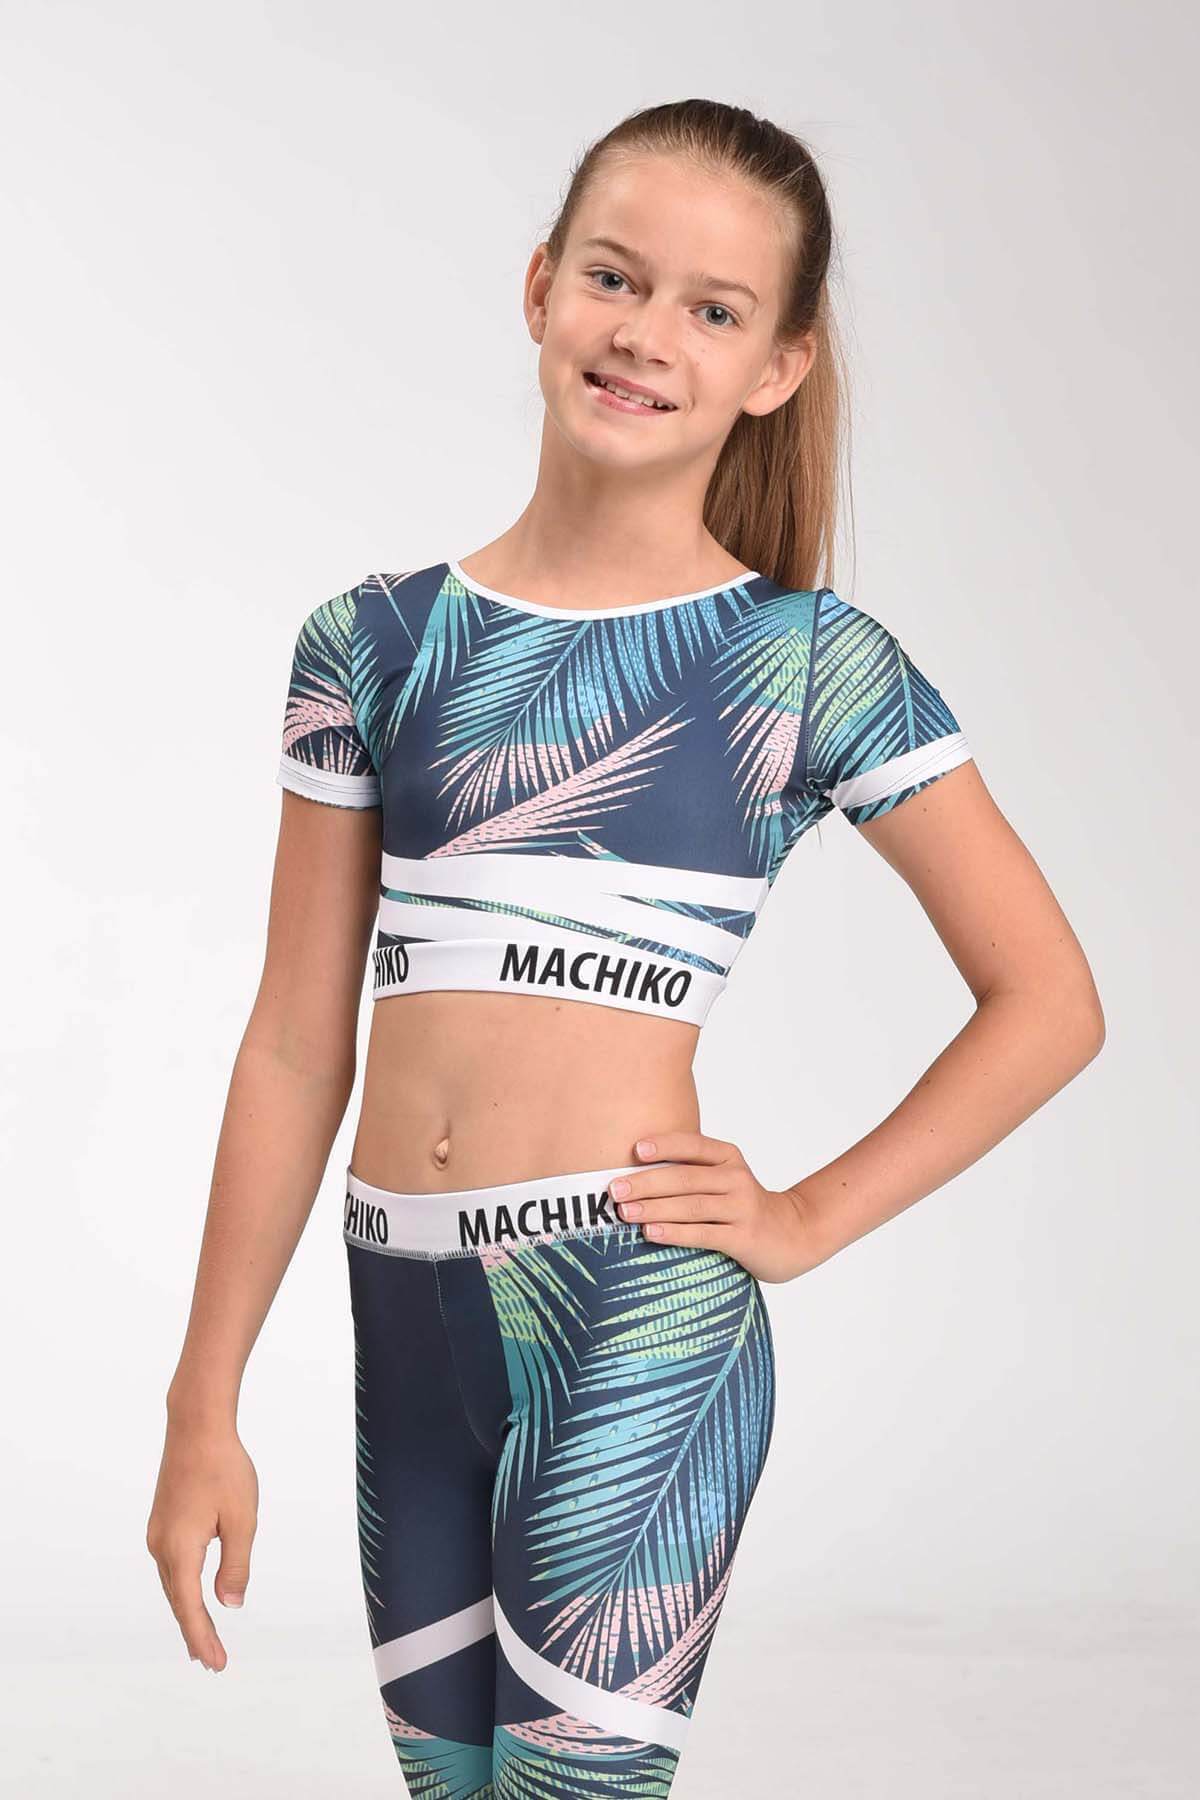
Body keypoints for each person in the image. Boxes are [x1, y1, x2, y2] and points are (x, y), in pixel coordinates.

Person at [146, 98, 1105, 1797]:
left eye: (713, 310)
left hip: (629, 1314)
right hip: (401, 1311)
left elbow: (1049, 1001)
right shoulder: (372, 645)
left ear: (778, 368)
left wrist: (806, 1217)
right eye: (615, 277)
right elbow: (295, 1040)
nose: (647, 333)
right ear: (539, 287)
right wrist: (200, 1398)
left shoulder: (803, 664)